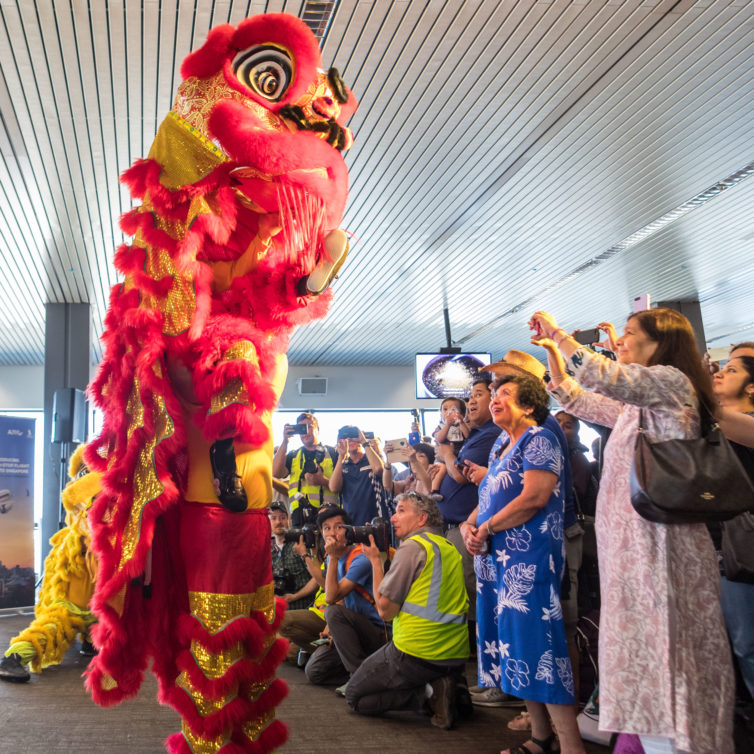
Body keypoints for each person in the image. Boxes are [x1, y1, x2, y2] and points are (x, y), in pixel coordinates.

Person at [530, 307, 734, 753]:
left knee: (668, 645)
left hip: (662, 544)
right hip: (633, 545)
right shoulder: (639, 403)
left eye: (629, 334)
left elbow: (605, 377)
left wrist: (561, 334)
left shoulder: (671, 381)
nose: (620, 342)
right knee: (641, 646)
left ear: (661, 343)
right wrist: (554, 358)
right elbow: (581, 400)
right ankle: (651, 734)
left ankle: (678, 740)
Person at [461, 374, 584, 754]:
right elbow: (489, 494)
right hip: (494, 562)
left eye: (505, 395)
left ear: (529, 406)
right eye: (493, 395)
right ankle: (541, 739)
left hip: (527, 564)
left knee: (540, 649)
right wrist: (470, 525)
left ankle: (572, 747)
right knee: (514, 648)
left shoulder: (540, 438)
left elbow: (535, 496)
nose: (495, 400)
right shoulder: (500, 442)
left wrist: (487, 527)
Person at [345, 492, 469, 729]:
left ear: (421, 519)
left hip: (417, 651)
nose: (392, 518)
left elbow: (385, 612)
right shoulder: (449, 547)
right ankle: (450, 686)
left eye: (402, 510)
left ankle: (429, 694)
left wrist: (374, 561)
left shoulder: (412, 547)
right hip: (455, 653)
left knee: (355, 697)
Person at [0, 445, 100, 683]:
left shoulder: (88, 491)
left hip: (95, 604)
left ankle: (89, 640)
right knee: (50, 630)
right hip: (71, 602)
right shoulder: (88, 491)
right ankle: (12, 658)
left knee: (110, 633)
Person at [436, 376, 501, 627]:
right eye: (470, 396)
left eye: (478, 394)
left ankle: (477, 647)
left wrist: (447, 453)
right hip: (456, 525)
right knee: (460, 585)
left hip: (469, 525)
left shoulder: (491, 433)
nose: (471, 401)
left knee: (470, 585)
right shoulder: (476, 433)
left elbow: (461, 476)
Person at [304, 506, 388, 691]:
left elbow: (332, 597)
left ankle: (358, 677)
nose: (333, 533)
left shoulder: (361, 557)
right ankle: (372, 671)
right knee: (314, 671)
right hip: (353, 630)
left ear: (349, 529)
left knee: (332, 612)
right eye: (327, 528)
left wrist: (332, 557)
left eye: (338, 526)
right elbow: (337, 598)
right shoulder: (332, 557)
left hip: (376, 632)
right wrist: (332, 628)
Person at [712, 352, 754, 701]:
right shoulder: (713, 428)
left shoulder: (746, 423)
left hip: (746, 545)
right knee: (739, 643)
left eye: (731, 370)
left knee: (748, 645)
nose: (721, 373)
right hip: (726, 547)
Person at [272, 413, 338, 524]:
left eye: (309, 427)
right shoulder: (294, 456)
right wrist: (285, 441)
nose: (305, 432)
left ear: (318, 429)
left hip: (328, 514)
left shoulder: (333, 453)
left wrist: (323, 481)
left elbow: (346, 487)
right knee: (300, 542)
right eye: (301, 429)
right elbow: (276, 473)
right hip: (299, 515)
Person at [328, 426, 387, 525]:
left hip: (376, 522)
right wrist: (341, 457)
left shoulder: (372, 459)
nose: (350, 439)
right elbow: (333, 487)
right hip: (352, 524)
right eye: (345, 437)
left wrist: (365, 443)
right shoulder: (343, 464)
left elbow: (378, 469)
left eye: (353, 435)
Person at [269, 502, 317, 610]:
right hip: (278, 609)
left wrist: (295, 596)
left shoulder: (300, 543)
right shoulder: (266, 549)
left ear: (288, 521)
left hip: (304, 607)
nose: (278, 522)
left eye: (282, 518)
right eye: (274, 518)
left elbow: (318, 578)